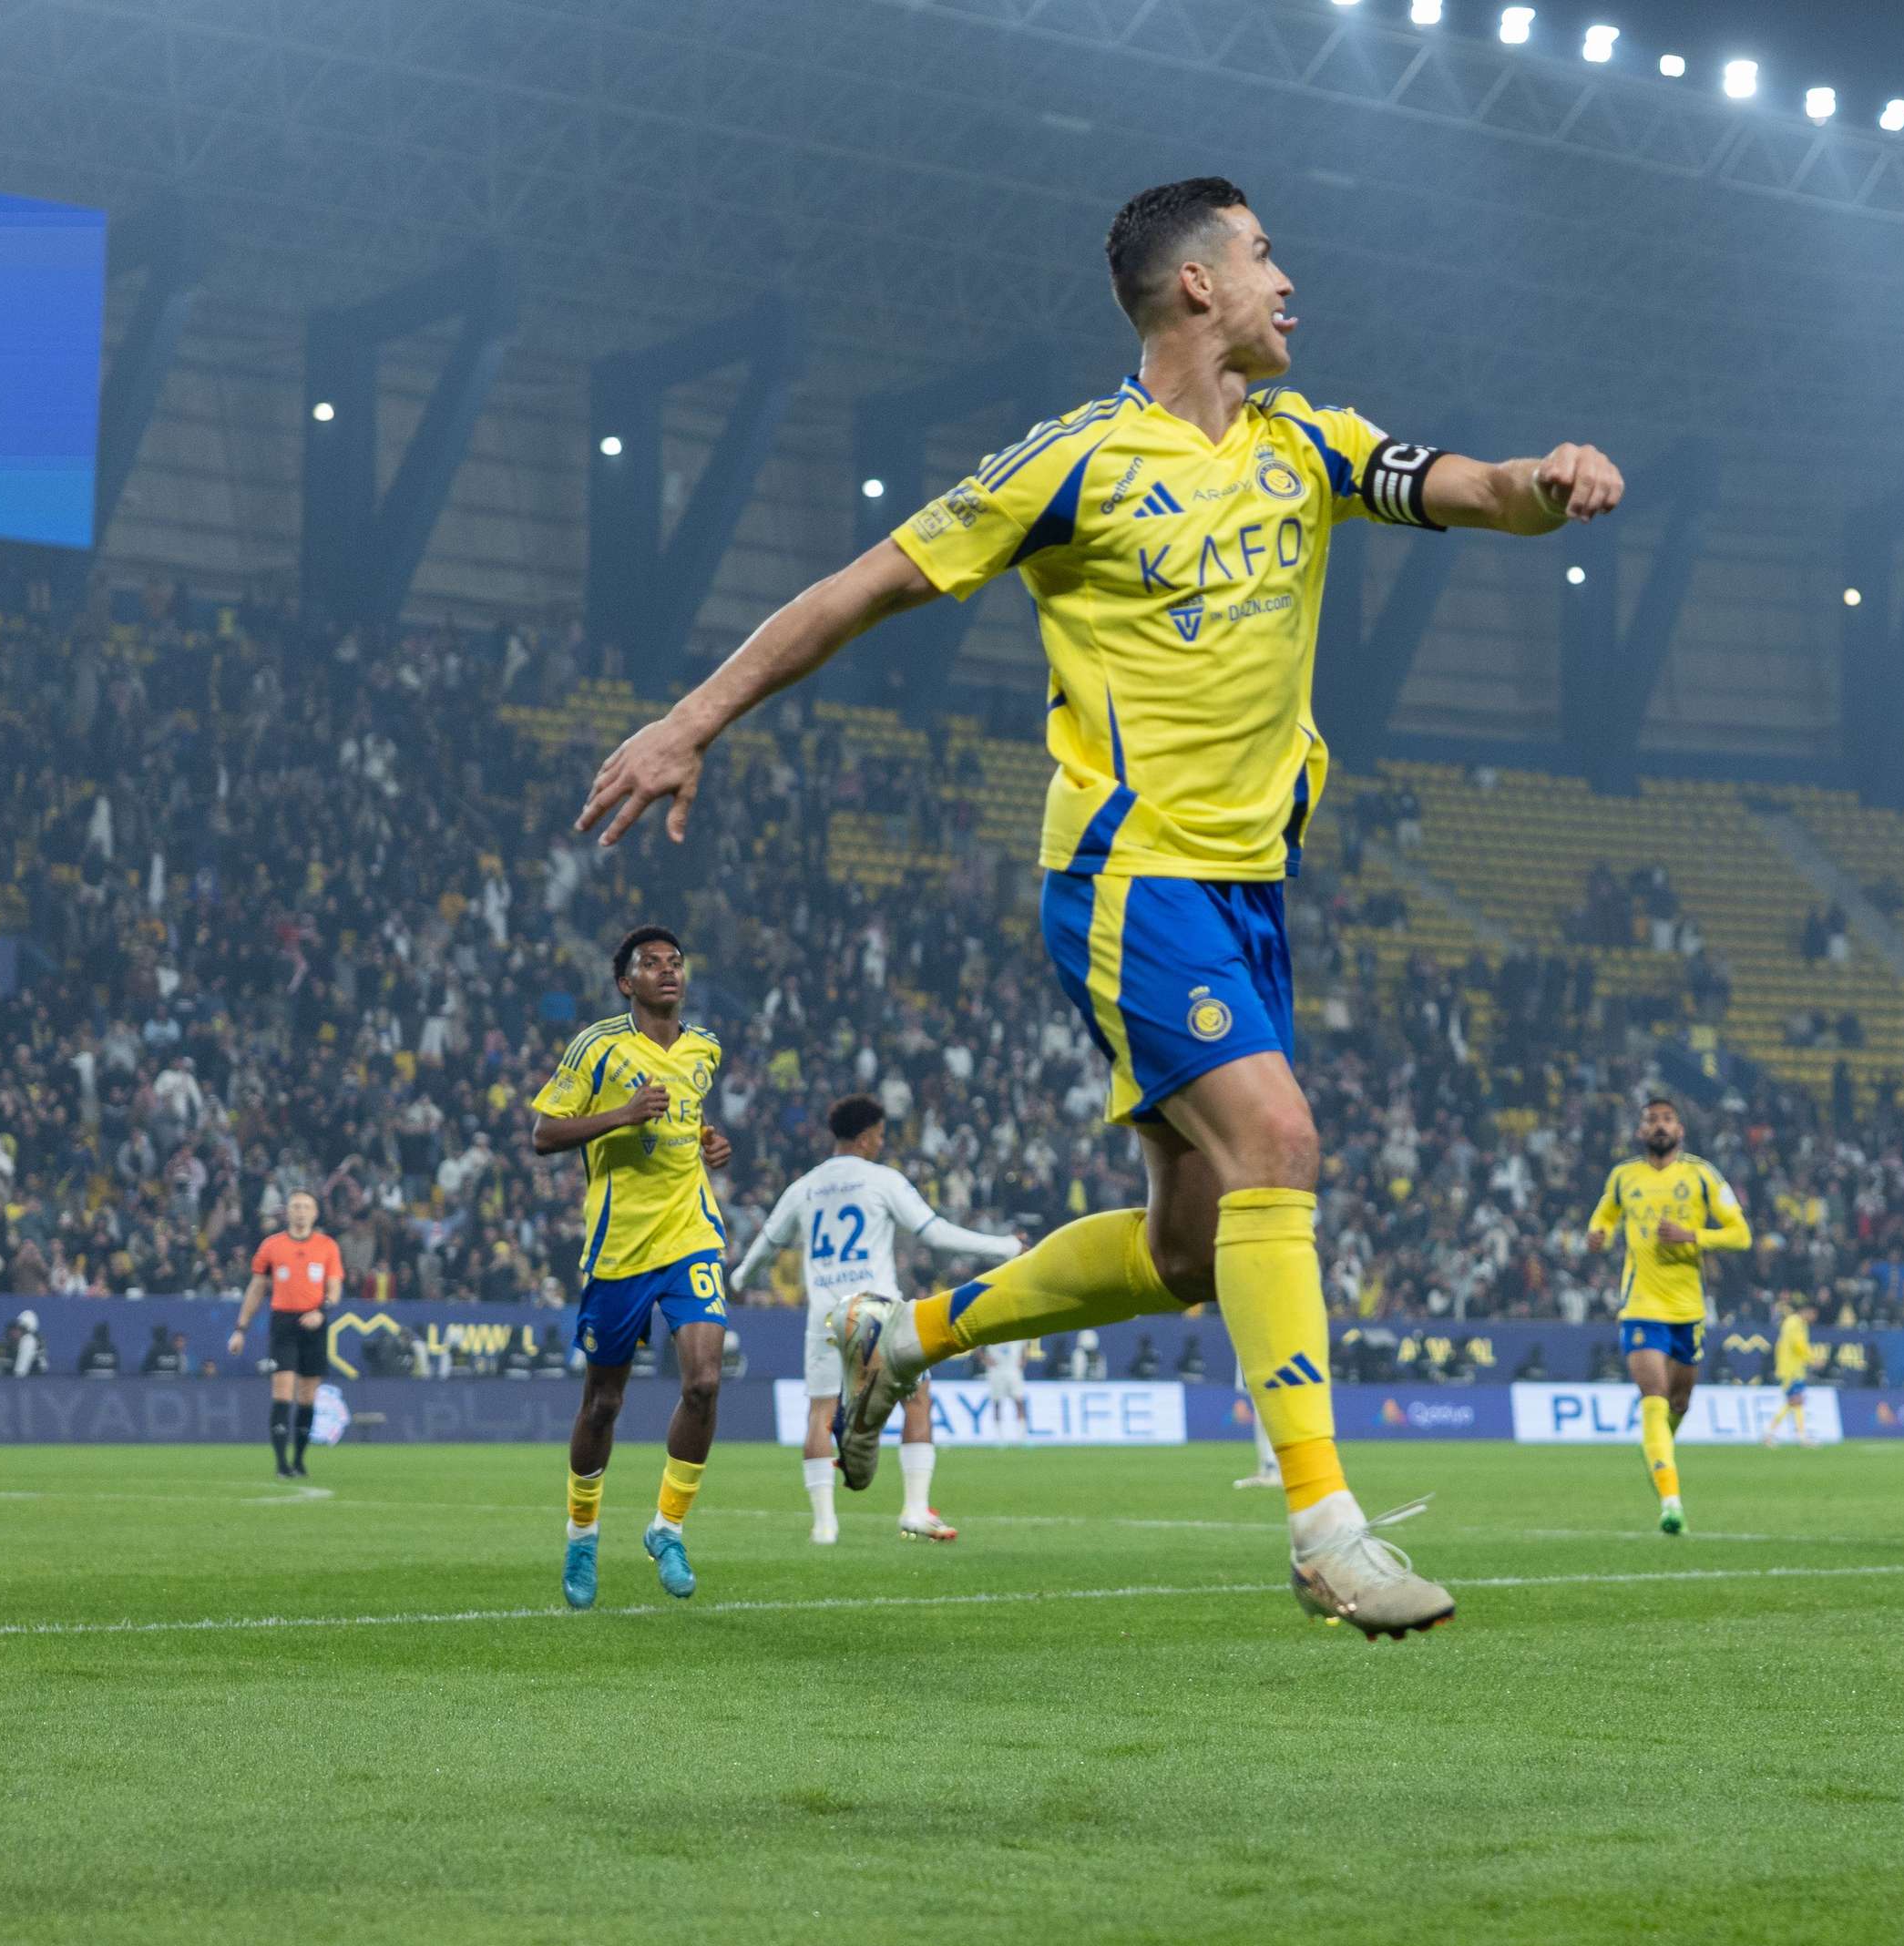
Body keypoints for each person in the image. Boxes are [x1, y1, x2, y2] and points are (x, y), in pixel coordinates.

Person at [571, 177, 1621, 1639]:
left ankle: (900, 1336)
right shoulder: (1070, 464)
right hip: (1130, 880)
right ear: (1196, 287)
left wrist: (1549, 475)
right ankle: (1326, 1529)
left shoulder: (1311, 441)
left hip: (1253, 890)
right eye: (1262, 256)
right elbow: (860, 588)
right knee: (1282, 1143)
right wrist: (694, 718)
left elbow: (1470, 488)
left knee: (1191, 1254)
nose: (1286, 280)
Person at [528, 927, 737, 1608]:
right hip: (619, 1247)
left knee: (704, 1381)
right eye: (651, 964)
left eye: (676, 962)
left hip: (691, 1235)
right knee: (604, 1402)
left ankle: (667, 1528)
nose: (668, 971)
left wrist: (708, 1141)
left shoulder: (705, 1048)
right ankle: (582, 1535)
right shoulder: (597, 1046)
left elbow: (685, 1117)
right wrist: (621, 1114)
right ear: (627, 982)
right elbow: (544, 1134)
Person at [730, 1093, 1022, 1546]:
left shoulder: (804, 1187)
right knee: (918, 1399)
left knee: (821, 1413)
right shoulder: (883, 1180)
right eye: (881, 1136)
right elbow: (934, 1233)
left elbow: (766, 1243)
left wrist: (741, 1276)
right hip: (878, 1310)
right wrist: (1002, 1247)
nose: (883, 1144)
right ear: (866, 1139)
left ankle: (824, 1524)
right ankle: (913, 1508)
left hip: (826, 1315)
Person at [1583, 1095, 1750, 1532]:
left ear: (1680, 1130)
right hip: (1640, 1306)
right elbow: (1605, 1211)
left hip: (1689, 1310)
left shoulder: (1701, 1175)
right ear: (1640, 1132)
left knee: (1679, 1402)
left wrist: (1691, 1235)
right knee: (1654, 1396)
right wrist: (1597, 1231)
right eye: (1651, 1120)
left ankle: (1658, 1456)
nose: (1659, 1126)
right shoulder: (1624, 1177)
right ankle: (1671, 1502)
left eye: (1667, 1119)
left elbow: (1741, 1235)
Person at [230, 1191, 344, 1479]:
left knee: (307, 1395)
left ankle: (300, 1459)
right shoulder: (272, 1246)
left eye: (306, 1206)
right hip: (284, 1323)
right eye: (295, 1206)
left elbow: (334, 1288)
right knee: (282, 1390)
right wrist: (240, 1329)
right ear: (288, 1212)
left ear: (315, 1213)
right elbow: (257, 1288)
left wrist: (322, 1311)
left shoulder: (327, 1246)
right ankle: (282, 1463)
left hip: (315, 1322)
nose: (301, 1211)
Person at [1759, 1298, 1817, 1449]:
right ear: (1806, 1311)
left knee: (1794, 1403)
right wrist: (1812, 1358)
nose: (1814, 1317)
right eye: (1813, 1313)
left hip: (1791, 1368)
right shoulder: (1795, 1323)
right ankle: (1773, 1433)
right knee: (1795, 1401)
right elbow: (1798, 1345)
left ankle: (1796, 1436)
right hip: (1791, 1369)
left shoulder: (1793, 1322)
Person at [979, 1339, 1034, 1447]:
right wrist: (985, 1360)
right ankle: (999, 1437)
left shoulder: (1018, 1330)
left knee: (1019, 1402)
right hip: (996, 1371)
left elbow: (1026, 1345)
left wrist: (1023, 1359)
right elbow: (978, 1347)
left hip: (1013, 1370)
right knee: (997, 1403)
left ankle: (1021, 1436)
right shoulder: (992, 1330)